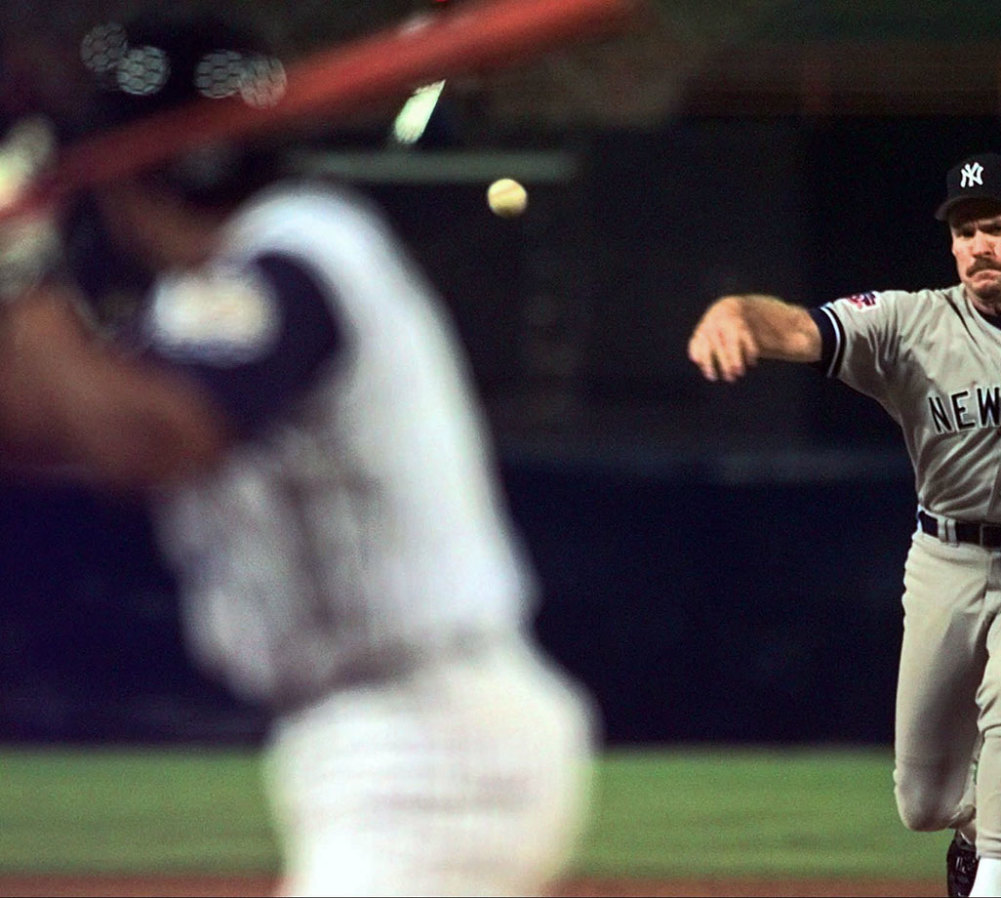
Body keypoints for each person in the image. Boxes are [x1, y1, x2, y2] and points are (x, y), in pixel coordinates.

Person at [0, 11, 596, 897]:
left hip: (429, 741)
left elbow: (138, 442)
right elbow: (57, 429)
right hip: (362, 740)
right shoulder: (206, 301)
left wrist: (20, 264)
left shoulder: (295, 253)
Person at [687, 152, 1001, 897]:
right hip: (946, 559)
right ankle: (974, 832)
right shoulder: (911, 322)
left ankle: (993, 882)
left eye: (994, 228)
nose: (978, 245)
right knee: (921, 802)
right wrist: (734, 314)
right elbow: (798, 329)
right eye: (963, 232)